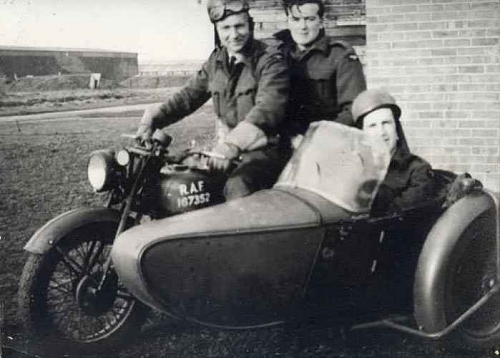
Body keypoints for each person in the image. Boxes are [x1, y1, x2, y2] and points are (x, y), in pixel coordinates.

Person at [136, 0, 290, 200]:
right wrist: (153, 118)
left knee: (238, 187)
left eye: (239, 26)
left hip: (265, 152)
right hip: (224, 153)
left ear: (250, 25)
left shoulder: (269, 61)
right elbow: (188, 97)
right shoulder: (216, 62)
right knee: (184, 184)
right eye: (226, 27)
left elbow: (268, 109)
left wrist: (232, 145)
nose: (233, 34)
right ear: (217, 29)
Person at [273, 0, 366, 142]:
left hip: (327, 141)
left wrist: (315, 139)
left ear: (321, 22)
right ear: (288, 22)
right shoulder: (277, 55)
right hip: (284, 140)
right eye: (296, 19)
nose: (302, 27)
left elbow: (353, 108)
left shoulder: (340, 55)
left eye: (310, 19)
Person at [351, 88, 436, 214]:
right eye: (372, 126)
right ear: (363, 134)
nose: (381, 132)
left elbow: (398, 215)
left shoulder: (418, 170)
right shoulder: (354, 168)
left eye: (386, 123)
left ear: (396, 129)